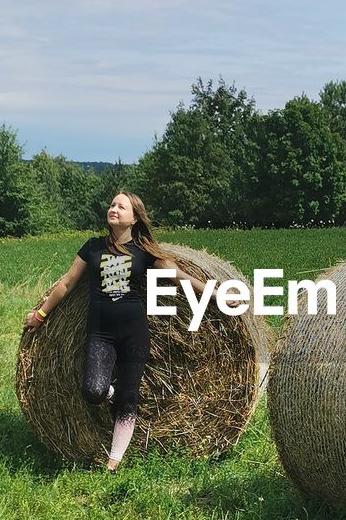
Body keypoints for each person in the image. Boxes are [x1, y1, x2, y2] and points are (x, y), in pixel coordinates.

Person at [23, 191, 212, 472]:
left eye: (121, 207)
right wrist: (40, 315)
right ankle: (116, 395)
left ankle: (114, 461)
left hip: (134, 333)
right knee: (93, 390)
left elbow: (180, 277)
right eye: (112, 205)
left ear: (134, 218)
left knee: (129, 397)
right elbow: (67, 283)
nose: (113, 209)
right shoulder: (93, 247)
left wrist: (216, 293)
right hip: (100, 333)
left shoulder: (145, 252)